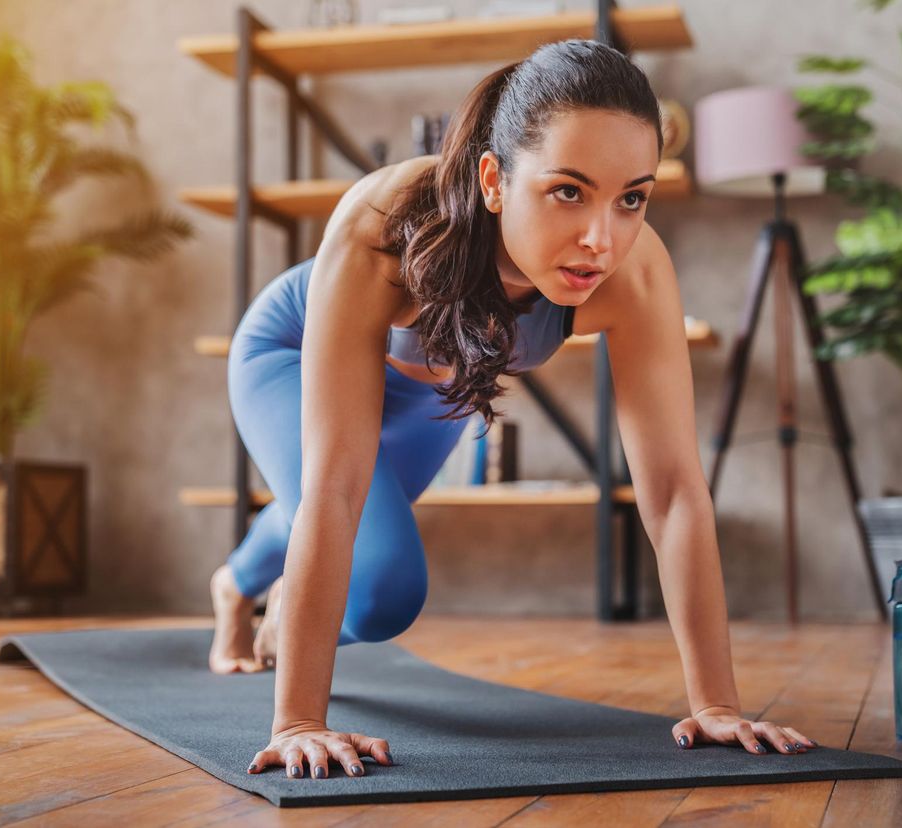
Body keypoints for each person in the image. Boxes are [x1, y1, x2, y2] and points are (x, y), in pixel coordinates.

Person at [208, 39, 819, 781]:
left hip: (437, 385)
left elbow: (674, 492)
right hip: (290, 357)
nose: (602, 238)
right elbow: (336, 486)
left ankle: (246, 582)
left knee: (369, 578)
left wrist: (717, 704)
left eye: (632, 196)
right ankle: (241, 585)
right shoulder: (384, 224)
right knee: (381, 589)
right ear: (495, 180)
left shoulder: (634, 272)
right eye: (569, 190)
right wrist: (299, 721)